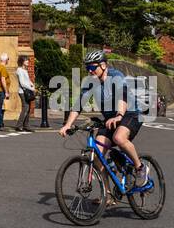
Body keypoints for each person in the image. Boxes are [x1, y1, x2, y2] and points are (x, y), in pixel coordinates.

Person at [58, 49, 148, 187]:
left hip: (130, 114)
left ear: (103, 66)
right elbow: (78, 105)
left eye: (92, 67)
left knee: (119, 138)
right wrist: (68, 124)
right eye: (87, 67)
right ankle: (108, 195)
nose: (89, 71)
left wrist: (119, 115)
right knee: (98, 156)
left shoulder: (115, 76)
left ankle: (140, 168)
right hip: (110, 119)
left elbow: (122, 96)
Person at [15, 54, 35, 132]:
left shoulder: (24, 70)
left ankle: (26, 125)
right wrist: (31, 88)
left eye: (27, 60)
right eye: (26, 60)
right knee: (25, 108)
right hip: (22, 92)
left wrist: (32, 85)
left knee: (28, 109)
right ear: (22, 61)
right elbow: (22, 83)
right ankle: (19, 125)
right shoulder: (19, 70)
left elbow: (28, 81)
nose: (28, 62)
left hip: (27, 91)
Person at [0, 52, 12, 130]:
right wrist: (6, 91)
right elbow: (3, 80)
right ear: (6, 60)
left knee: (0, 107)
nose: (8, 61)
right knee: (1, 108)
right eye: (8, 59)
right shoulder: (3, 68)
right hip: (2, 91)